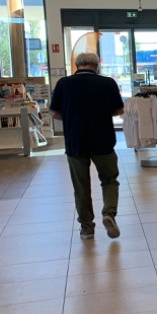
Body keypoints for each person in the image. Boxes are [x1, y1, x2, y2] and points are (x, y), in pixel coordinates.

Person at [50, 52, 125, 240]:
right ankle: (109, 213)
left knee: (81, 187)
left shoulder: (63, 84)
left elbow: (54, 113)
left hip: (75, 142)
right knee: (109, 180)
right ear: (96, 65)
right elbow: (119, 110)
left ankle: (86, 228)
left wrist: (72, 117)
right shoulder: (107, 83)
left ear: (77, 65)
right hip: (103, 140)